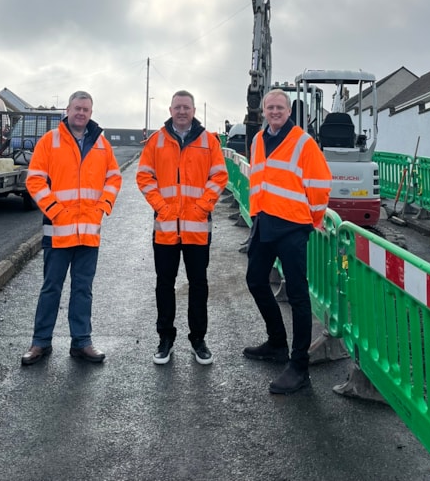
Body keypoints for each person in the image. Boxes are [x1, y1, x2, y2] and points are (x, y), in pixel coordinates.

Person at [21, 91, 122, 366]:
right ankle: (40, 343)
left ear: (91, 112)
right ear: (68, 110)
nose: (81, 113)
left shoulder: (101, 144)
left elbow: (113, 178)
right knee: (50, 288)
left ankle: (82, 342)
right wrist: (55, 212)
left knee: (83, 289)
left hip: (88, 232)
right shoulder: (50, 141)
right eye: (77, 108)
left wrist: (103, 207)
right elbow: (35, 181)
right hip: (58, 231)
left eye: (86, 109)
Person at [244, 88, 331, 394]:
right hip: (264, 222)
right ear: (264, 110)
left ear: (289, 110)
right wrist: (255, 214)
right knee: (255, 280)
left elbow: (321, 183)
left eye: (280, 107)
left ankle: (299, 367)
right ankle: (277, 342)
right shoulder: (257, 140)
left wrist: (315, 219)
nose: (275, 111)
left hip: (293, 226)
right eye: (270, 107)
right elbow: (258, 179)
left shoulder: (303, 142)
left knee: (297, 296)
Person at [136, 90, 228, 366]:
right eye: (177, 107)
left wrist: (202, 207)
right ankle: (165, 338)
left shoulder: (209, 141)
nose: (182, 111)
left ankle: (198, 339)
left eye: (186, 107)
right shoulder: (156, 141)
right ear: (170, 109)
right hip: (165, 227)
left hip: (197, 227)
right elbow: (144, 177)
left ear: (194, 109)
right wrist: (162, 207)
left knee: (198, 284)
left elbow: (219, 176)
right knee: (165, 284)